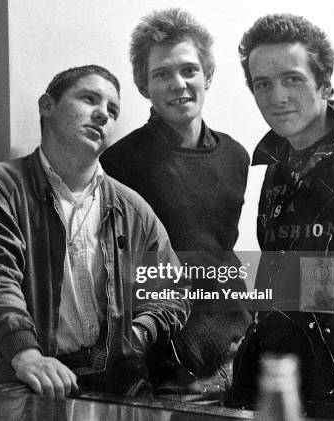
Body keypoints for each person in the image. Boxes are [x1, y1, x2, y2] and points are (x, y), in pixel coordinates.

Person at [0, 65, 190, 399]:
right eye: (89, 99)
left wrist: (138, 333)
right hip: (23, 382)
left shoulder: (132, 207)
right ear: (47, 106)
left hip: (117, 389)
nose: (102, 115)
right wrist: (26, 354)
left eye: (112, 111)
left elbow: (172, 290)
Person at [229, 14, 334, 418]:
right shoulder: (275, 166)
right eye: (263, 84)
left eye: (291, 78)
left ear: (325, 83)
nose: (277, 96)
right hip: (282, 378)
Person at [100, 8, 250, 399]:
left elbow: (224, 255)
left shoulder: (237, 155)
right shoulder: (118, 163)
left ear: (207, 76)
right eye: (162, 74)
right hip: (170, 366)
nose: (178, 83)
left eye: (188, 70)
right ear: (144, 85)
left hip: (241, 349)